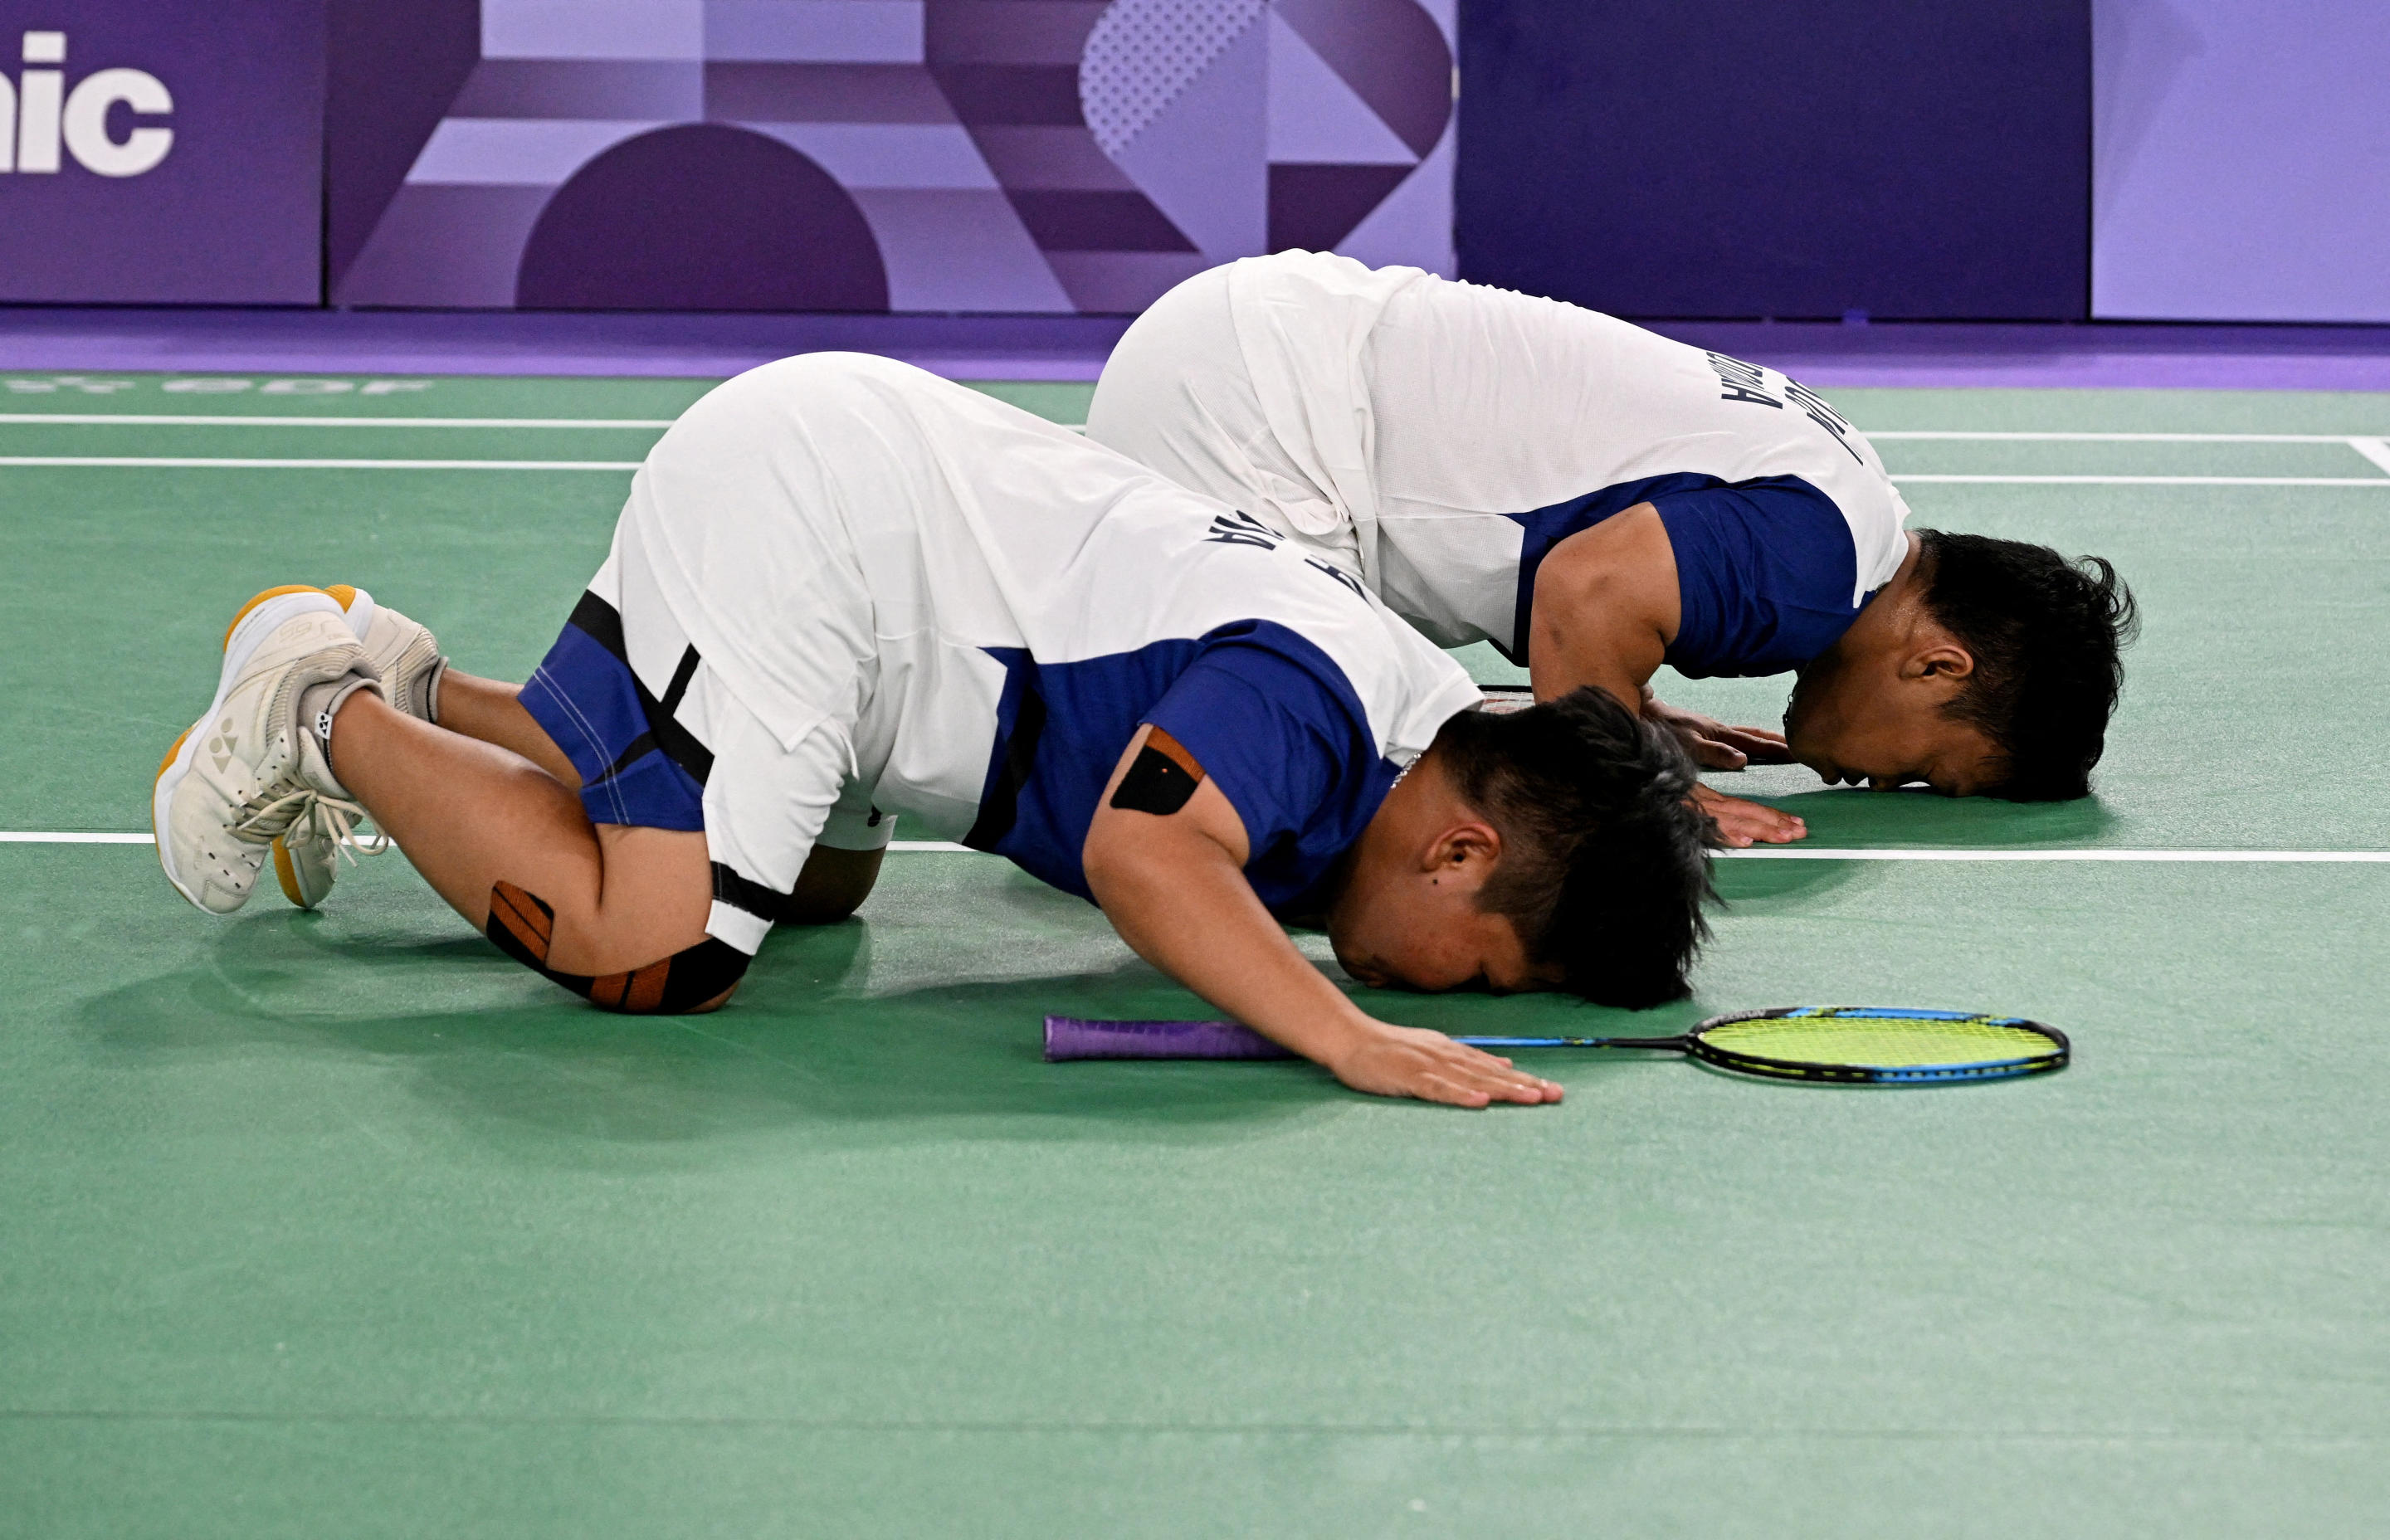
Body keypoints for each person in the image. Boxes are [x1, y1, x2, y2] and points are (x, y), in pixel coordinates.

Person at [149, 353, 1714, 1109]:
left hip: (870, 581)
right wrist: (1346, 1036)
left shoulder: (1412, 747)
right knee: (668, 945)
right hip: (819, 531)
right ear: (1461, 846)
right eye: (1489, 969)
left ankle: (429, 693)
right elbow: (1142, 853)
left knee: (815, 894)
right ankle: (318, 705)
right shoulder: (1312, 700)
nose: (1452, 993)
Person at [1085, 252, 2140, 842]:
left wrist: (1624, 704)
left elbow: (1598, 563)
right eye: (1927, 774)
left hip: (1261, 350)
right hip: (1256, 415)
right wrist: (1640, 780)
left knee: (1383, 740)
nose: (1884, 782)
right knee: (1338, 813)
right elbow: (1582, 590)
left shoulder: (1849, 495)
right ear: (1936, 664)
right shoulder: (1818, 572)